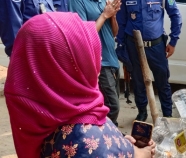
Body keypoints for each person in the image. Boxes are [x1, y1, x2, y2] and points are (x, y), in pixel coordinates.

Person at [4, 12, 156, 158]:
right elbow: (94, 148)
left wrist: (122, 145)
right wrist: (139, 154)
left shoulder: (56, 111)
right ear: (63, 67)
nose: (99, 57)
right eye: (86, 51)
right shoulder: (83, 140)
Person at [116, 0, 182, 121]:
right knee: (138, 82)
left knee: (163, 82)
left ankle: (167, 116)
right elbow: (121, 22)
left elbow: (175, 15)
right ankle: (142, 113)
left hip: (156, 46)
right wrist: (121, 44)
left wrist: (173, 41)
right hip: (133, 46)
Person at [68, 0, 122, 126]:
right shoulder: (77, 0)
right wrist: (105, 14)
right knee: (112, 106)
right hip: (98, 63)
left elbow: (114, 33)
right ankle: (104, 139)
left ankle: (108, 137)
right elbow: (83, 34)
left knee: (110, 105)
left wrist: (112, 15)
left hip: (112, 59)